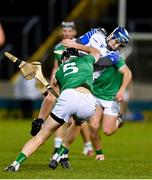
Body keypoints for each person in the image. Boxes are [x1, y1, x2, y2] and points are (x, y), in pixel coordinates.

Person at [4, 41, 101, 172]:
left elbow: (50, 98)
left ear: (64, 59)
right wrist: (76, 45)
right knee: (78, 124)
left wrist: (40, 119)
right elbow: (95, 51)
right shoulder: (88, 60)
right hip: (88, 100)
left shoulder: (59, 73)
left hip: (68, 97)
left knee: (41, 136)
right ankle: (59, 154)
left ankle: (15, 164)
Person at [49, 26, 132, 166]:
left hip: (95, 89)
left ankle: (62, 153)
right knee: (81, 123)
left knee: (103, 129)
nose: (116, 46)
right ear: (112, 35)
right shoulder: (96, 33)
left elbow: (98, 62)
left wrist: (77, 48)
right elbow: (79, 42)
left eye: (120, 45)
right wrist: (72, 51)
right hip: (83, 83)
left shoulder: (115, 56)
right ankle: (64, 154)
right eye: (116, 41)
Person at [32, 21, 94, 157]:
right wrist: (52, 83)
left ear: (74, 33)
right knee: (64, 116)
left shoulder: (80, 45)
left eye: (69, 31)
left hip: (80, 79)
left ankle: (88, 145)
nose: (67, 33)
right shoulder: (58, 47)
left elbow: (88, 61)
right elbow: (57, 66)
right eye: (64, 31)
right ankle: (58, 145)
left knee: (78, 120)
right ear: (61, 32)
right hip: (64, 80)